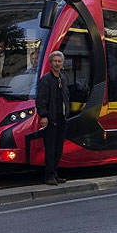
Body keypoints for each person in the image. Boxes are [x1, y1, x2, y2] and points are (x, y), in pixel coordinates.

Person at [36, 50, 70, 186]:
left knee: (58, 149)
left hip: (62, 119)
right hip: (50, 120)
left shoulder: (63, 78)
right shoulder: (46, 79)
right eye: (55, 61)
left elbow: (66, 97)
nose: (57, 63)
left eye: (59, 61)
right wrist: (43, 115)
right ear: (50, 63)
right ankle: (49, 176)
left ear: (62, 63)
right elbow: (41, 99)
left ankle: (55, 174)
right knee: (50, 149)